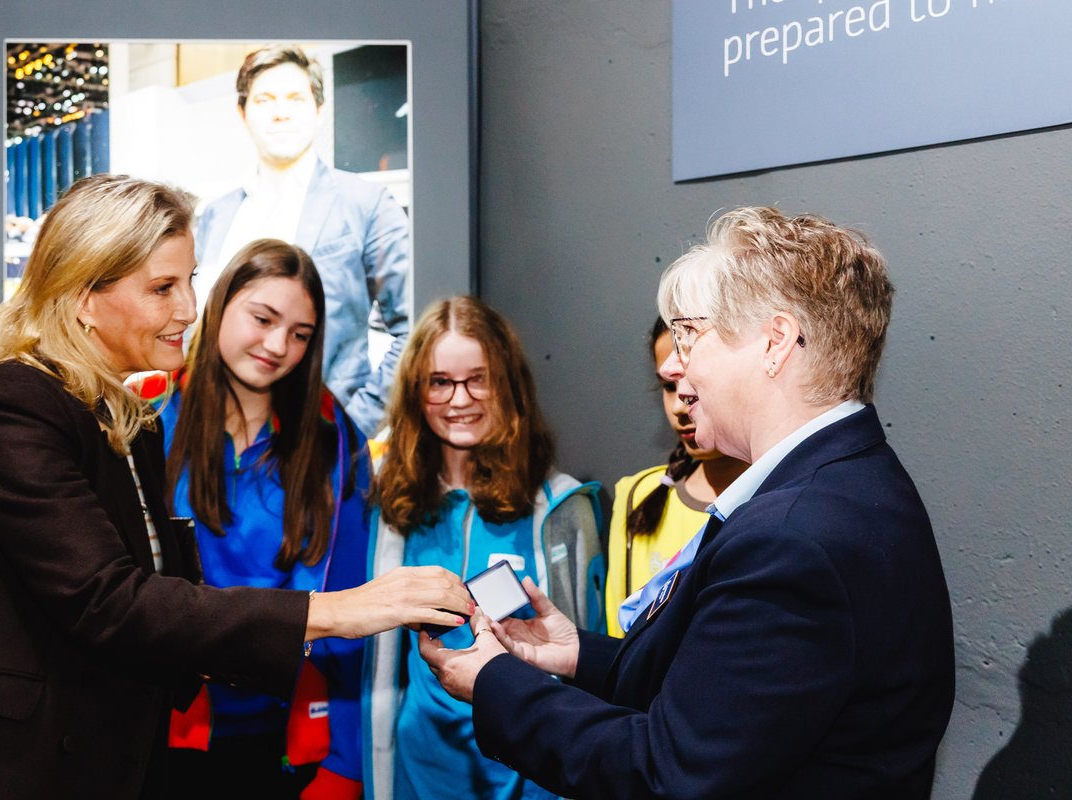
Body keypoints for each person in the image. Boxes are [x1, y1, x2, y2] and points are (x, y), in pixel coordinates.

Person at [0, 175, 471, 800]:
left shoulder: (124, 420)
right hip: (1, 767)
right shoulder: (15, 403)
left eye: (188, 282)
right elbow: (110, 600)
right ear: (83, 295)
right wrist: (336, 612)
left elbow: (157, 599)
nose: (188, 309)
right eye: (163, 288)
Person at [422, 207, 955, 799]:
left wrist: (494, 681)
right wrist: (576, 654)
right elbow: (728, 700)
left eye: (690, 335)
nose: (674, 365)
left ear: (774, 343)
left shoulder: (793, 538)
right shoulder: (851, 480)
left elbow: (668, 776)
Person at [139, 238, 369, 798]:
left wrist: (345, 761)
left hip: (285, 739)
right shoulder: (148, 419)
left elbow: (351, 604)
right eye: (262, 318)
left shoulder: (334, 440)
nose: (277, 345)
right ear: (218, 305)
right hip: (160, 729)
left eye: (300, 334)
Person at [364, 295, 606, 800]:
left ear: (508, 384)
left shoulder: (562, 509)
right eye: (440, 382)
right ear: (415, 389)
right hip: (419, 771)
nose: (459, 400)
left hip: (530, 774)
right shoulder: (388, 502)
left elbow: (589, 664)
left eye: (480, 378)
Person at [194, 44, 410, 438]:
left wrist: (355, 426)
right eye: (264, 99)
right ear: (242, 112)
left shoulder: (365, 204)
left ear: (319, 110)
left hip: (318, 437)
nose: (280, 111)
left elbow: (414, 329)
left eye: (295, 98)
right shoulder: (216, 214)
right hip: (217, 438)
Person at [605, 317, 745, 637]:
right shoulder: (637, 494)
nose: (681, 404)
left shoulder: (779, 498)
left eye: (695, 380)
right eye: (669, 386)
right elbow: (617, 636)